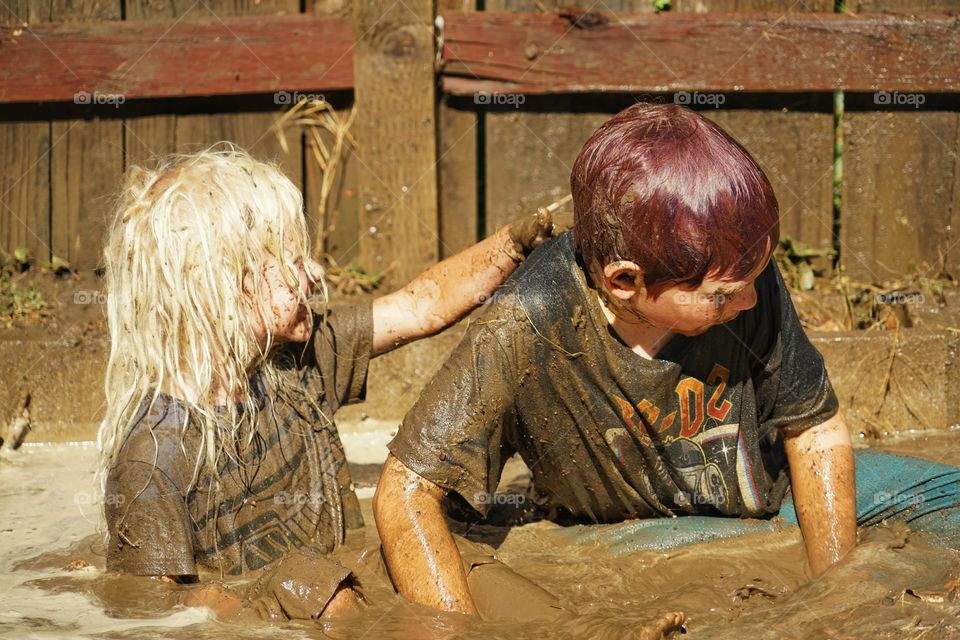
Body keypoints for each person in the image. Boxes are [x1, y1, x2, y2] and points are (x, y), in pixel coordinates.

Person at [375, 103, 857, 616]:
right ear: (624, 281)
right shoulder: (524, 322)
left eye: (752, 281)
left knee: (945, 500)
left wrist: (838, 603)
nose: (750, 302)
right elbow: (402, 494)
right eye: (722, 296)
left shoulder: (740, 274)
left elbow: (817, 433)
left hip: (753, 522)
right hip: (598, 542)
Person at [97, 145, 558, 620]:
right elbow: (147, 603)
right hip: (286, 598)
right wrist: (245, 608)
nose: (315, 274)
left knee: (455, 555)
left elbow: (423, 305)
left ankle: (580, 628)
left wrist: (511, 245)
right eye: (293, 263)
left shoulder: (298, 359)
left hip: (344, 569)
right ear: (224, 288)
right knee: (317, 586)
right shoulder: (152, 457)